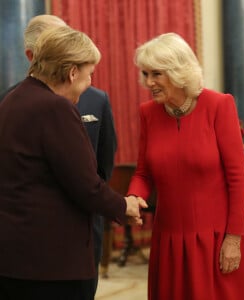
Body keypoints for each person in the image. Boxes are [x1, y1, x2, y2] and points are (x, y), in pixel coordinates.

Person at [0, 26, 146, 300]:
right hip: (51, 263)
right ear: (72, 72)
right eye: (90, 72)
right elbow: (86, 185)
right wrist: (123, 206)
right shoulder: (55, 108)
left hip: (13, 259)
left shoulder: (13, 100)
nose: (91, 81)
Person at [127, 32, 244, 300]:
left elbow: (238, 176)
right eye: (145, 74)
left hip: (218, 239)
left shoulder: (219, 105)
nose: (148, 82)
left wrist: (233, 239)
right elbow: (143, 173)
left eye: (156, 74)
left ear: (178, 72)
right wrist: (133, 196)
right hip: (170, 241)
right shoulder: (148, 113)